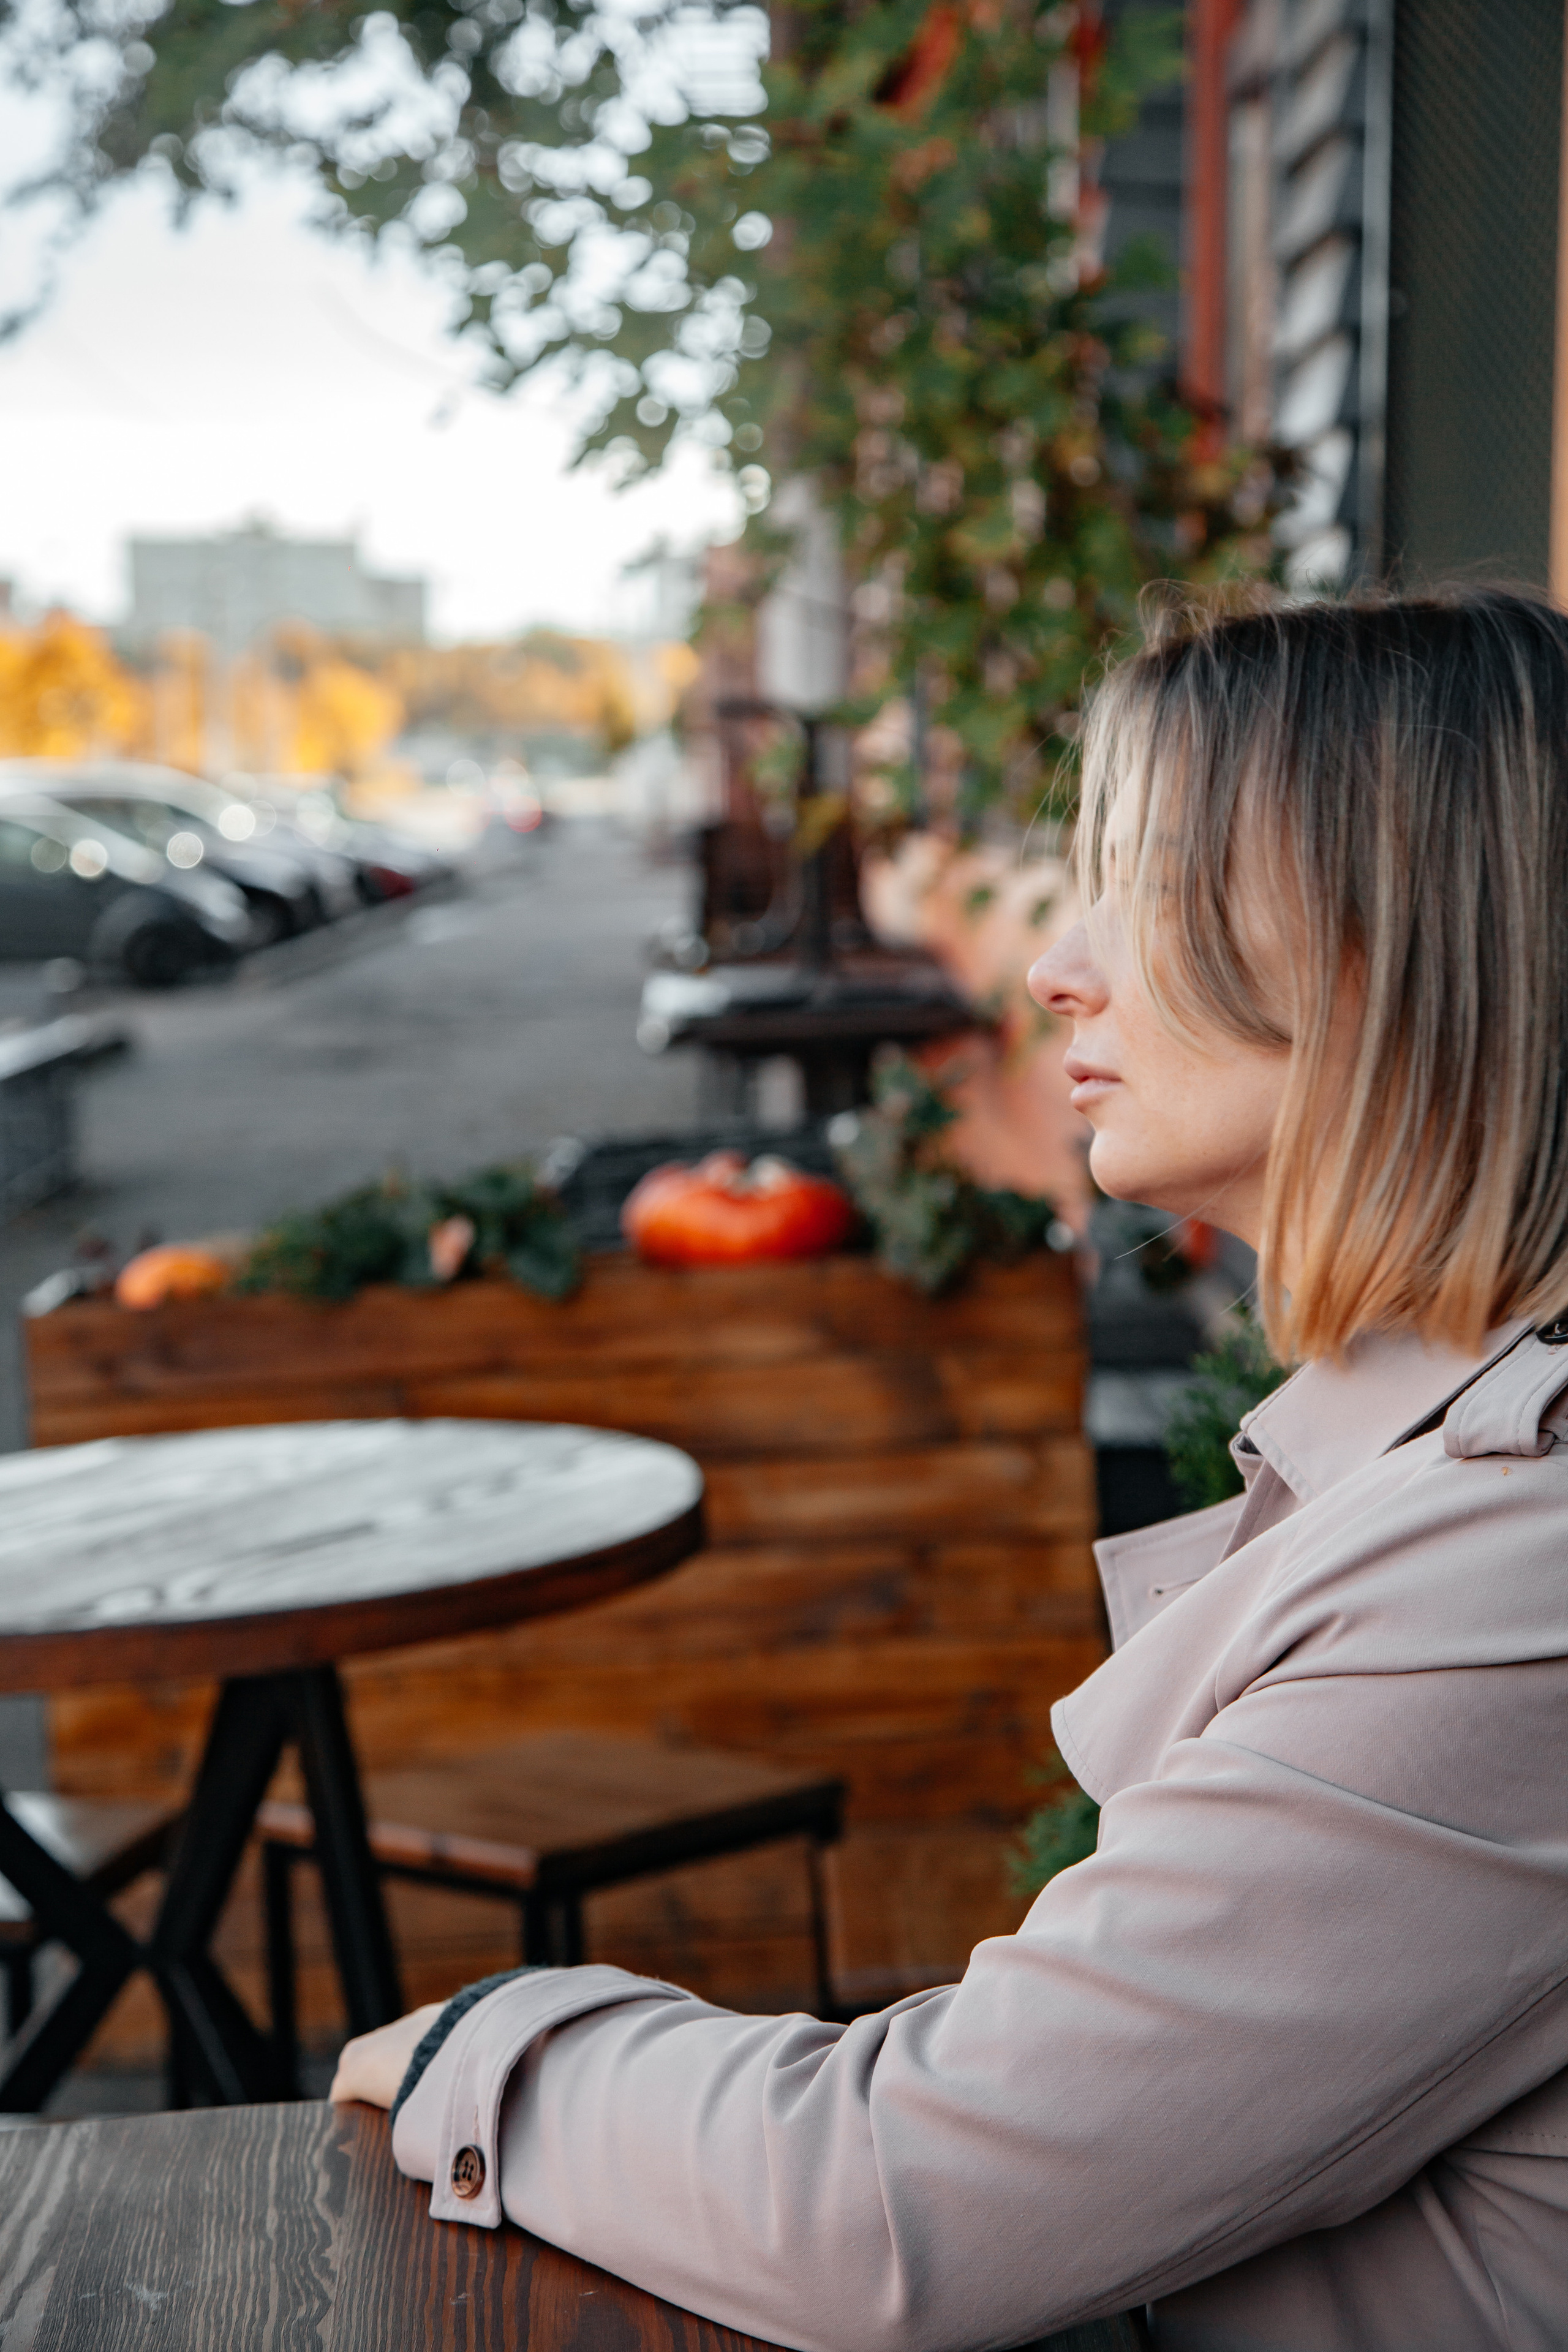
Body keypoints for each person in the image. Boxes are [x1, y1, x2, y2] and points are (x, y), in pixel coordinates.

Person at [331, 588, 1568, 2351]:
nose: (1063, 963)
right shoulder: (1448, 1462)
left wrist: (484, 2051)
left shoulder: (1519, 1554)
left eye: (1145, 885)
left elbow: (894, 2204)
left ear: (1395, 945)